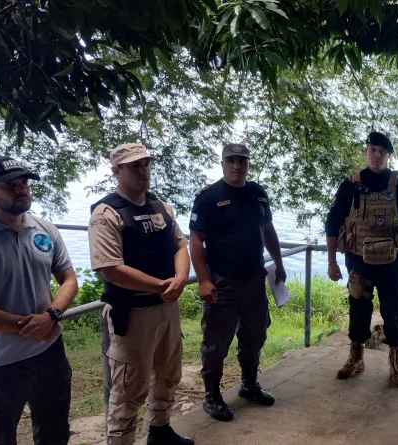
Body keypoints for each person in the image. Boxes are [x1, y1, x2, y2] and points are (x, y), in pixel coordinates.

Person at [88, 144, 193, 445]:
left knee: (169, 373)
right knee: (129, 389)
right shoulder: (106, 213)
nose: (143, 170)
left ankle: (160, 430)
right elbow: (111, 269)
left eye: (146, 164)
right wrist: (162, 285)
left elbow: (179, 246)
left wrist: (182, 278)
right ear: (116, 171)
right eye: (134, 166)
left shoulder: (161, 207)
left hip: (166, 308)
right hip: (132, 314)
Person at [0, 156, 78, 445]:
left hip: (50, 353)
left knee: (55, 432)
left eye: (24, 182)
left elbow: (69, 280)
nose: (21, 189)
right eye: (9, 185)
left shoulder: (44, 229)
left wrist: (51, 315)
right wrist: (33, 326)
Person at [190, 143, 285, 422]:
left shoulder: (257, 194)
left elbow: (268, 230)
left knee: (256, 335)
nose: (236, 166)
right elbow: (195, 240)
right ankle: (212, 395)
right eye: (231, 161)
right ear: (222, 163)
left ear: (247, 164)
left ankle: (249, 384)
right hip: (223, 283)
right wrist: (204, 281)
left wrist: (278, 264)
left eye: (242, 161)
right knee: (216, 342)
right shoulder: (209, 197)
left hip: (254, 280)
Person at [325, 132, 398, 387]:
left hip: (391, 264)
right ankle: (356, 359)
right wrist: (332, 262)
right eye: (373, 150)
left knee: (394, 313)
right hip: (358, 262)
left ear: (389, 155)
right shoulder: (351, 185)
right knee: (358, 311)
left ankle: (397, 365)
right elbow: (332, 222)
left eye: (382, 152)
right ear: (366, 151)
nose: (377, 155)